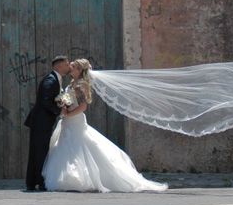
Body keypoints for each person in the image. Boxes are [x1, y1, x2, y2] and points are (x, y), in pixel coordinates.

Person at [41, 58, 168, 193]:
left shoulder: (81, 85)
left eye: (74, 67)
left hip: (75, 120)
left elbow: (83, 106)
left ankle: (79, 177)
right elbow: (69, 101)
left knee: (77, 145)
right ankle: (67, 176)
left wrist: (68, 114)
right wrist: (63, 106)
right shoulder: (72, 84)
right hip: (68, 121)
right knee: (66, 147)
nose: (70, 68)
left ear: (80, 70)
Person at [24, 55, 71, 191]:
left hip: (42, 122)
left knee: (38, 151)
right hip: (41, 122)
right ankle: (38, 181)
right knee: (39, 151)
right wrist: (59, 110)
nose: (68, 66)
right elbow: (45, 100)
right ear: (59, 66)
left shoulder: (56, 79)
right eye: (67, 64)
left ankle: (32, 181)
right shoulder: (51, 80)